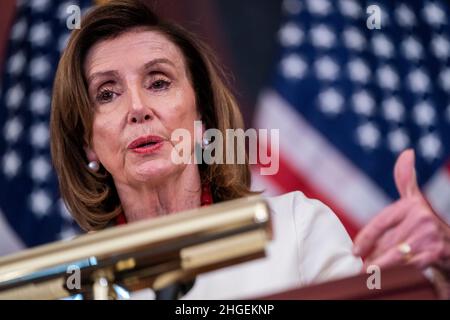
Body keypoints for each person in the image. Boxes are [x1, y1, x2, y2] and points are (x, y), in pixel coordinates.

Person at [50, 0, 361, 299]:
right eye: (107, 94)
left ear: (200, 115)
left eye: (158, 83)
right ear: (87, 142)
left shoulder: (296, 228)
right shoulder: (65, 282)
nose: (137, 107)